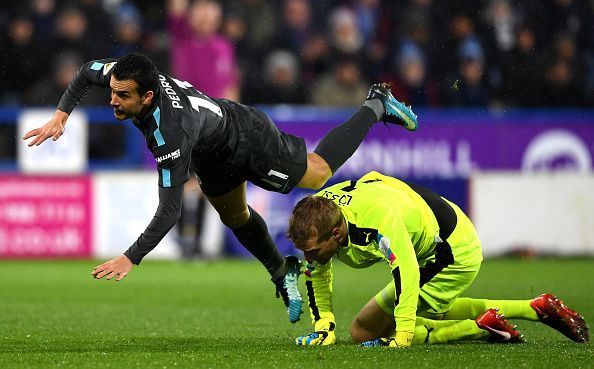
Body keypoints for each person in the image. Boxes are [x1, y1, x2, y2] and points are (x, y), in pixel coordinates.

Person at [21, 53, 418, 324]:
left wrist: (131, 258)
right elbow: (83, 72)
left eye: (123, 96)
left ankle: (377, 105)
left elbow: (169, 211)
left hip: (246, 136)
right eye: (112, 91)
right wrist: (61, 116)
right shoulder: (124, 74)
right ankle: (282, 272)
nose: (113, 100)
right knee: (234, 215)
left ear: (148, 95)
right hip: (212, 153)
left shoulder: (169, 133)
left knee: (317, 174)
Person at [287, 171, 589, 346]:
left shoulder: (378, 220)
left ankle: (480, 327)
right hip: (428, 240)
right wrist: (323, 325)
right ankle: (536, 308)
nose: (308, 258)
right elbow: (319, 272)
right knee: (364, 330)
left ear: (337, 234)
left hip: (453, 249)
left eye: (312, 251)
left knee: (384, 326)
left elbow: (405, 271)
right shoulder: (323, 213)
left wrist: (403, 335)